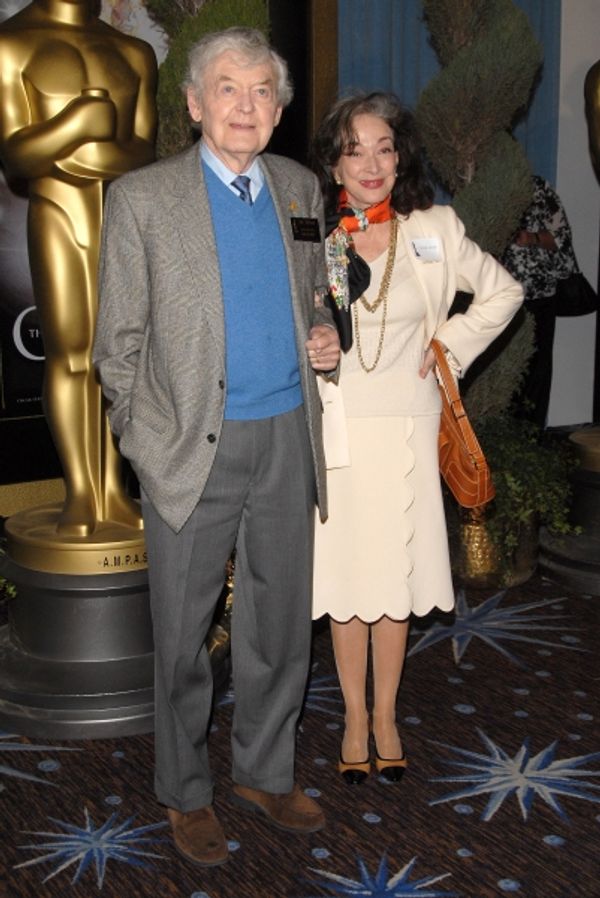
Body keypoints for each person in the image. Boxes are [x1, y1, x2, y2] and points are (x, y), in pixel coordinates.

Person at [93, 27, 340, 866]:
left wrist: (325, 333)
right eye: (227, 88)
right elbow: (116, 346)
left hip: (288, 436)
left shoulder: (301, 187)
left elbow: (316, 295)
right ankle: (185, 791)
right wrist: (145, 440)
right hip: (190, 448)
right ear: (196, 104)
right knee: (183, 635)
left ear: (279, 108)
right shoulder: (142, 199)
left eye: (262, 90)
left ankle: (265, 773)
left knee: (281, 625)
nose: (246, 105)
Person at [309, 92, 523, 785]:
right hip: (337, 426)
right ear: (334, 163)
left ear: (401, 158)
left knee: (395, 577)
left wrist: (449, 345)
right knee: (349, 578)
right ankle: (352, 716)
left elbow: (504, 292)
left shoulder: (434, 227)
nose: (371, 164)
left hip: (406, 422)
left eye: (385, 148)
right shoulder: (314, 235)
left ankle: (386, 716)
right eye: (355, 150)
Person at [0, 0, 158, 537]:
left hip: (122, 222)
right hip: (58, 213)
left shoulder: (133, 53)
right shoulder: (12, 44)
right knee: (70, 354)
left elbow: (143, 154)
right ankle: (81, 493)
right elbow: (17, 155)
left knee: (119, 356)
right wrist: (77, 125)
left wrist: (73, 153)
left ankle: (112, 489)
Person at [501, 175, 579, 429]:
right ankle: (501, 434)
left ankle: (531, 435)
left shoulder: (539, 190)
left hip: (539, 296)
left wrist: (531, 238)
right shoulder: (487, 187)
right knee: (501, 369)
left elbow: (561, 238)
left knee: (537, 371)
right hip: (498, 299)